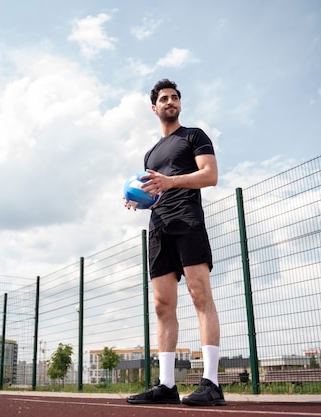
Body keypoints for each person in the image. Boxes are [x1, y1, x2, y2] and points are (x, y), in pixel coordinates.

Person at [125, 79, 225, 407]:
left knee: (200, 295)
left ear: (179, 104)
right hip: (159, 227)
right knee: (162, 305)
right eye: (164, 98)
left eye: (174, 97)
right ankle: (166, 385)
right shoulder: (150, 153)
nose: (170, 101)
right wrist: (138, 199)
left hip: (188, 220)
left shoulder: (194, 136)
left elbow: (209, 175)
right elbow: (152, 191)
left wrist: (170, 182)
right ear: (154, 108)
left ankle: (211, 383)